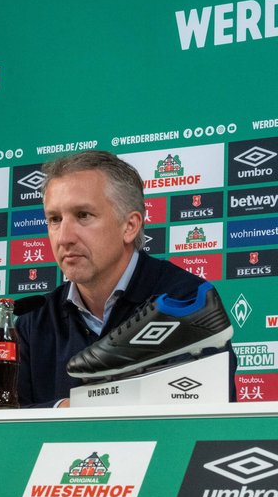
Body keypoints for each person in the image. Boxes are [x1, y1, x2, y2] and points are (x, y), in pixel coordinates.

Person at [16, 150, 235, 407]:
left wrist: (77, 411)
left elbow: (202, 414)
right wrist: (66, 409)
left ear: (130, 226)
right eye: (55, 219)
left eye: (83, 215)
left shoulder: (187, 303)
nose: (64, 237)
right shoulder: (32, 322)